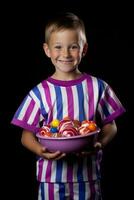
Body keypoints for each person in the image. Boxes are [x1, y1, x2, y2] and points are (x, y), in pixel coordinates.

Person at [11, 12, 125, 199]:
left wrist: (99, 143)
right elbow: (26, 136)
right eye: (58, 47)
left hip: (87, 177)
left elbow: (111, 127)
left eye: (73, 47)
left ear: (84, 49)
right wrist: (41, 151)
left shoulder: (98, 87)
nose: (65, 54)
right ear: (47, 50)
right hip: (51, 178)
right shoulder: (39, 93)